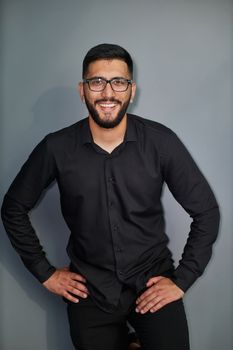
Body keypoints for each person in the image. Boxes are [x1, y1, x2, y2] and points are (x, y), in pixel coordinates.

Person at [1, 43, 220, 350]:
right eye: (96, 82)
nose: (107, 93)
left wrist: (183, 279)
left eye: (118, 82)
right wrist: (44, 273)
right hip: (89, 291)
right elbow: (13, 208)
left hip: (152, 283)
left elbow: (207, 212)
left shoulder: (161, 142)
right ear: (82, 90)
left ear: (131, 90)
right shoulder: (56, 148)